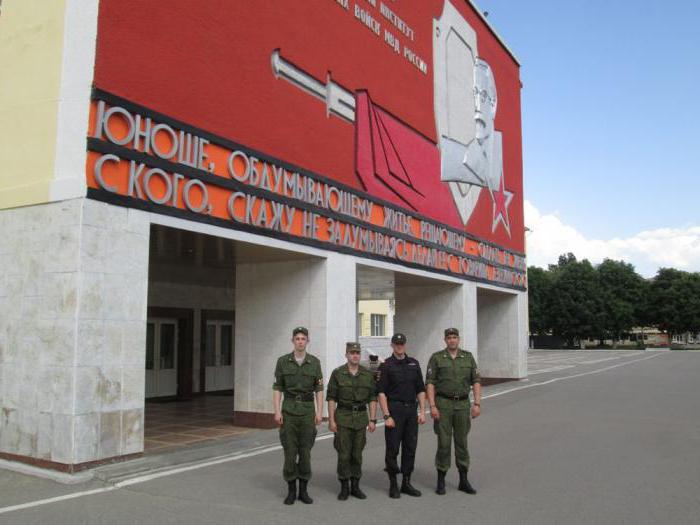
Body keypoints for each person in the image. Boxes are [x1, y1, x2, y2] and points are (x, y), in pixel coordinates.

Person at [425, 327, 481, 495]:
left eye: (454, 337)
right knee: (443, 443)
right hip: (443, 404)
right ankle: (441, 480)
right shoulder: (436, 358)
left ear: (458, 339)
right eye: (449, 337)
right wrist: (432, 406)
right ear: (445, 340)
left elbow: (476, 381)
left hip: (463, 405)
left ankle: (463, 480)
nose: (452, 340)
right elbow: (430, 383)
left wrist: (477, 403)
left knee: (462, 443)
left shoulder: (468, 357)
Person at [272, 326, 324, 505]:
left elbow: (319, 389)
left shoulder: (315, 362)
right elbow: (278, 388)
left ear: (307, 341)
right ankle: (291, 490)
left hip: (308, 411)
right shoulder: (282, 362)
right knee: (289, 451)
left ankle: (304, 490)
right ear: (292, 341)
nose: (300, 341)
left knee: (305, 452)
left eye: (303, 338)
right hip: (289, 411)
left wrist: (320, 412)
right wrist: (277, 411)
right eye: (297, 338)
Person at [377, 333, 426, 498]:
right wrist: (386, 415)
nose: (399, 346)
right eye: (396, 344)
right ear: (392, 345)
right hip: (395, 411)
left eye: (402, 344)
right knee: (392, 448)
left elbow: (420, 389)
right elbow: (381, 393)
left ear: (405, 345)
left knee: (410, 447)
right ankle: (393, 484)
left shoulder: (414, 363)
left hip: (411, 410)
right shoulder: (386, 366)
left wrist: (422, 411)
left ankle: (406, 482)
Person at [326, 342, 378, 500]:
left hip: (361, 418)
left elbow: (372, 398)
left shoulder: (367, 374)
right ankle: (344, 486)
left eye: (357, 353)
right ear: (346, 355)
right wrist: (331, 420)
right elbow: (331, 398)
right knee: (343, 454)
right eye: (352, 353)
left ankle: (355, 486)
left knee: (357, 454)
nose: (355, 355)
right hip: (343, 417)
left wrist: (373, 419)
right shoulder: (338, 373)